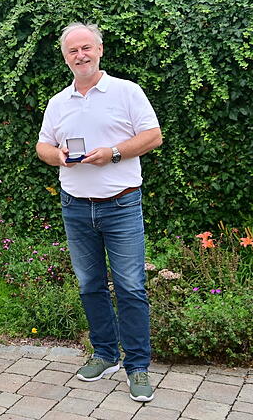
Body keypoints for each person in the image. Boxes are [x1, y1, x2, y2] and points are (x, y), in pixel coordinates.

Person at [36, 23, 162, 402]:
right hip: (75, 206)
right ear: (65, 56)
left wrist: (114, 153)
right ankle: (105, 355)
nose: (80, 55)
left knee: (130, 287)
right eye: (73, 51)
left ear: (100, 50)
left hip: (121, 204)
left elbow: (153, 136)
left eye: (86, 48)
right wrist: (56, 155)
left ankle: (137, 367)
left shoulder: (126, 91)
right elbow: (43, 145)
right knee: (90, 285)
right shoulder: (59, 101)